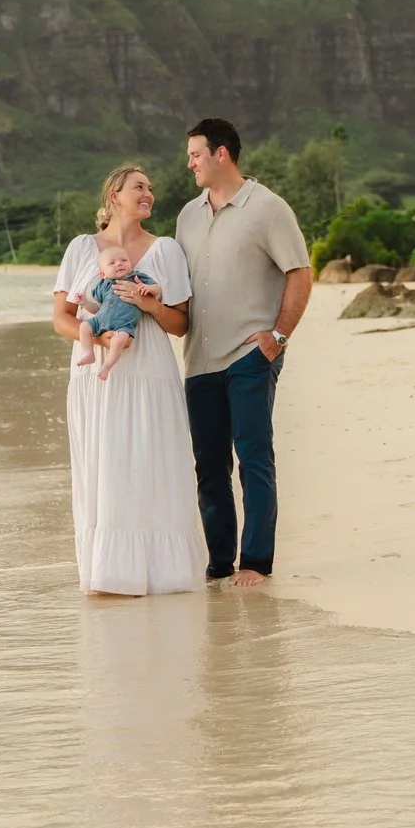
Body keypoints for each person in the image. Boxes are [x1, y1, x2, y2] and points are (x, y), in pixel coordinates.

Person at [51, 164, 209, 596]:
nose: (148, 194)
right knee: (107, 467)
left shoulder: (167, 251)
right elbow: (61, 319)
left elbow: (180, 323)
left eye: (151, 189)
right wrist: (100, 340)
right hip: (96, 377)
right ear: (114, 195)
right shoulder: (82, 249)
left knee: (152, 464)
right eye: (139, 186)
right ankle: (110, 574)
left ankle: (166, 575)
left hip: (151, 372)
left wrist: (149, 305)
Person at [174, 117, 312, 588]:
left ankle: (255, 562)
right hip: (198, 359)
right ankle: (219, 563)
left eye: (195, 154)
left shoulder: (268, 208)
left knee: (254, 457)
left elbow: (300, 272)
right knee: (209, 465)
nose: (189, 162)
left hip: (249, 356)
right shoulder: (187, 215)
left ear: (221, 154)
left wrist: (279, 336)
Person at [73, 244, 145, 379]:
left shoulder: (136, 278)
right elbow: (96, 308)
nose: (119, 264)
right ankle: (88, 353)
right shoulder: (103, 285)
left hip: (124, 323)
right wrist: (84, 303)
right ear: (103, 274)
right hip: (100, 319)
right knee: (84, 326)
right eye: (112, 263)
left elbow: (157, 288)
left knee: (120, 340)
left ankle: (107, 365)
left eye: (124, 260)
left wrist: (148, 288)